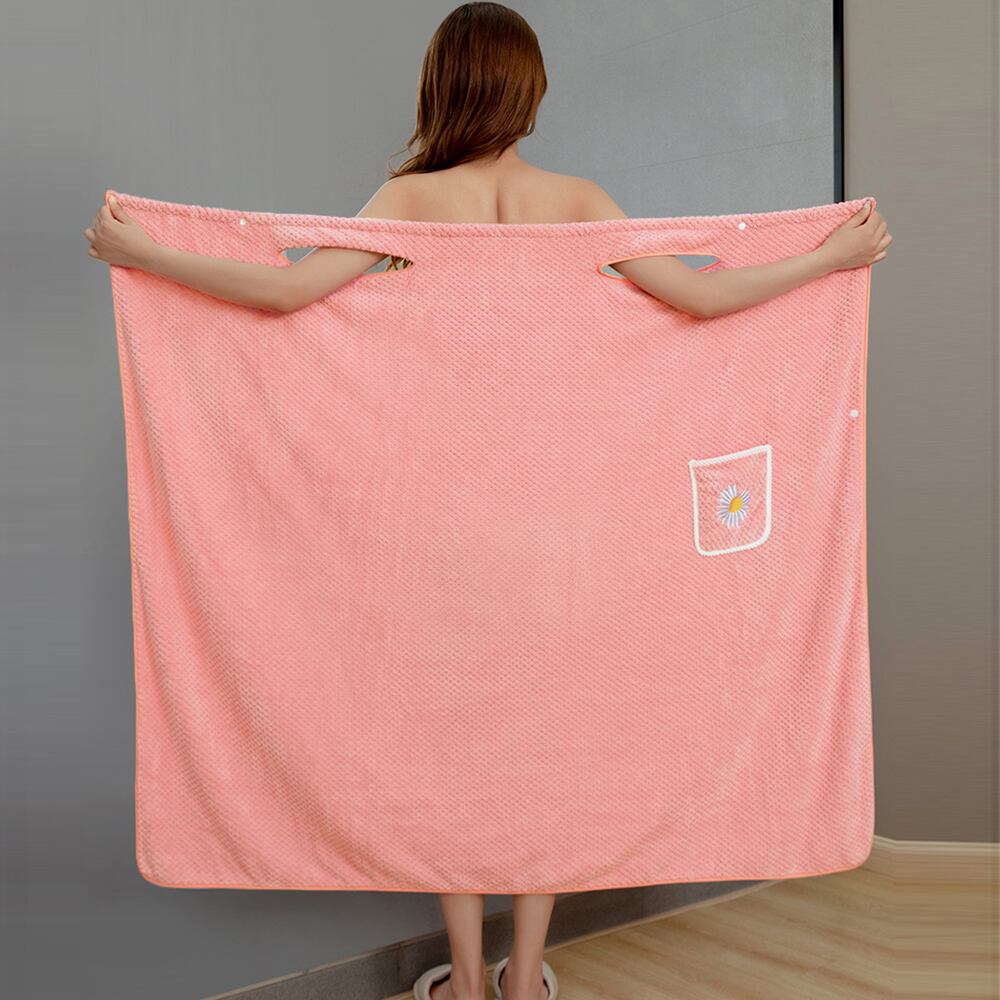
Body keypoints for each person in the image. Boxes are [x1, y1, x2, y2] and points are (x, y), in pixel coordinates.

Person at [84, 5, 891, 1000]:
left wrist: (147, 256)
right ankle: (522, 977)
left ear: (442, 89)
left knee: (451, 749)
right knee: (547, 749)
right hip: (564, 534)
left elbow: (286, 296)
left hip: (438, 534)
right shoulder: (579, 201)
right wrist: (827, 260)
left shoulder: (408, 200)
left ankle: (463, 980)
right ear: (526, 91)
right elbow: (702, 300)